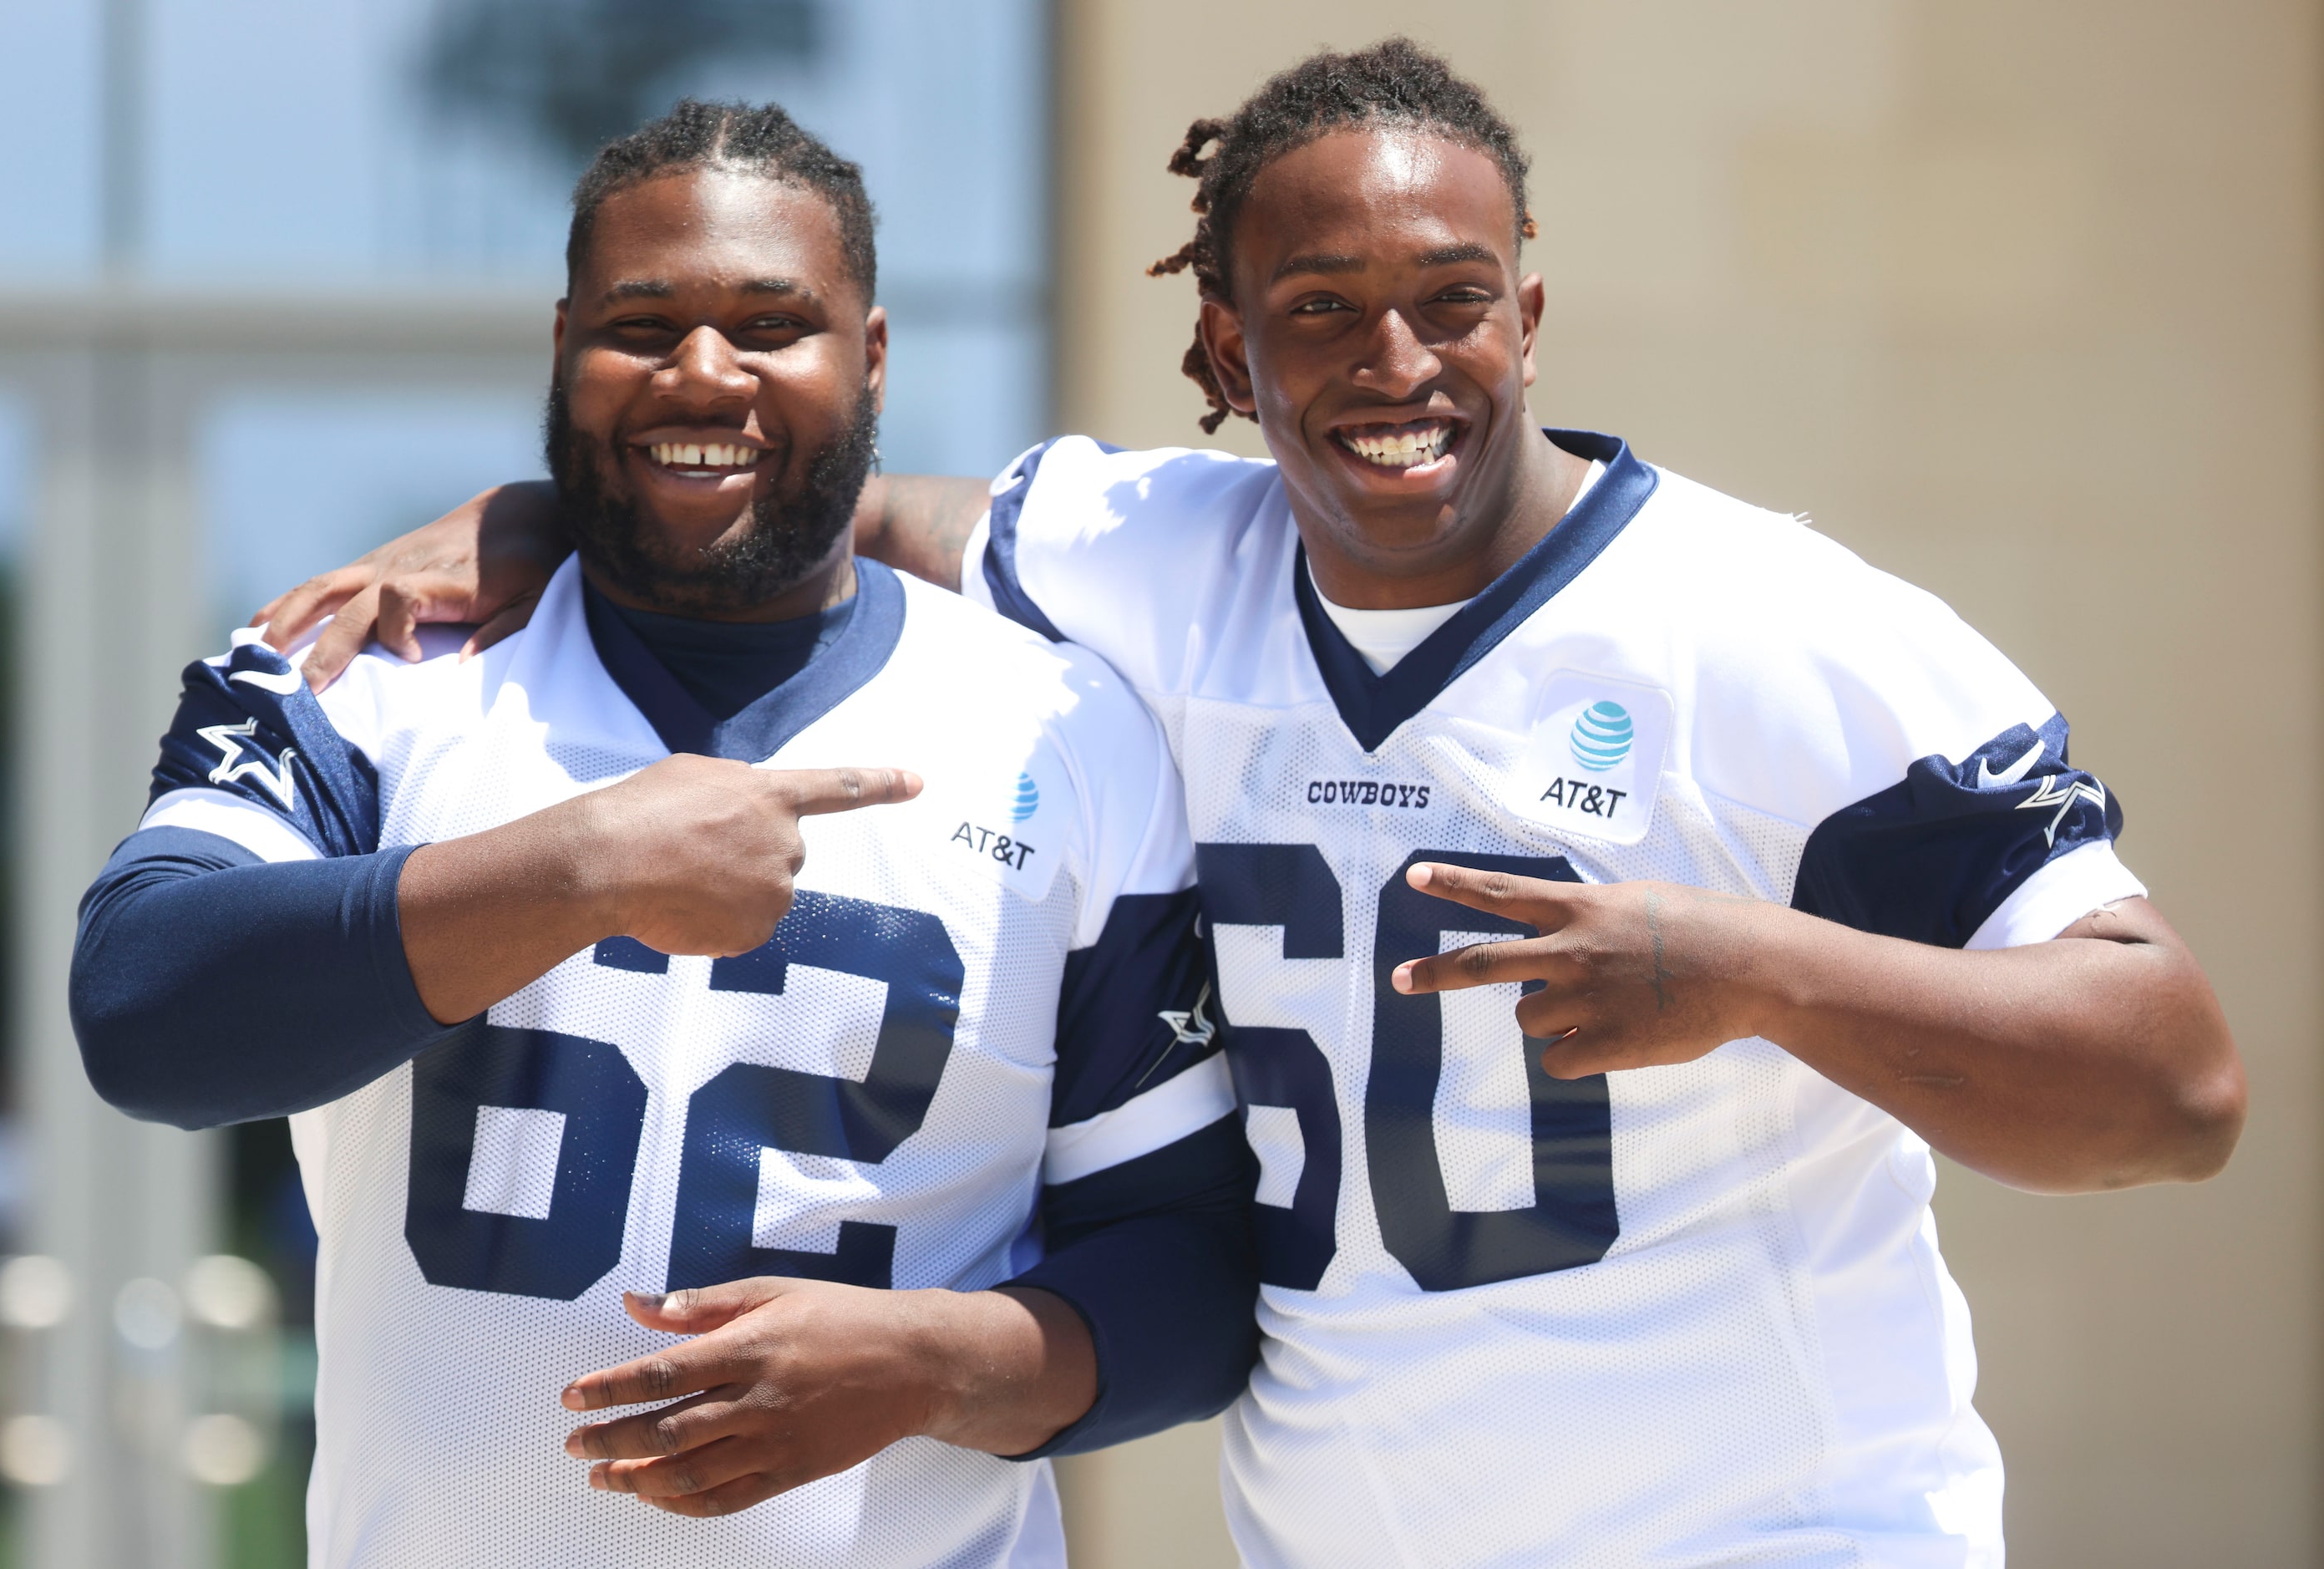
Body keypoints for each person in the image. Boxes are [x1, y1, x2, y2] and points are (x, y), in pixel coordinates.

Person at [261, 41, 2247, 1568]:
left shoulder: (1776, 634)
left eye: (1451, 300)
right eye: (1318, 309)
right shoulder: (1141, 556)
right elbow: (808, 504)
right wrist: (526, 516)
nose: (1398, 363)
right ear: (1222, 348)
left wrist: (1762, 970)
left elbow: (2169, 1086)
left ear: (1529, 317)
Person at [70, 101, 1261, 1567]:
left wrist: (935, 1365)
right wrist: (585, 862)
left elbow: (1198, 1265)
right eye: (645, 325)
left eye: (773, 324)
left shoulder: (1070, 729)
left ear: (871, 358)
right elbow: (143, 1009)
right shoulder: (368, 668)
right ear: (564, 346)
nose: (705, 371)